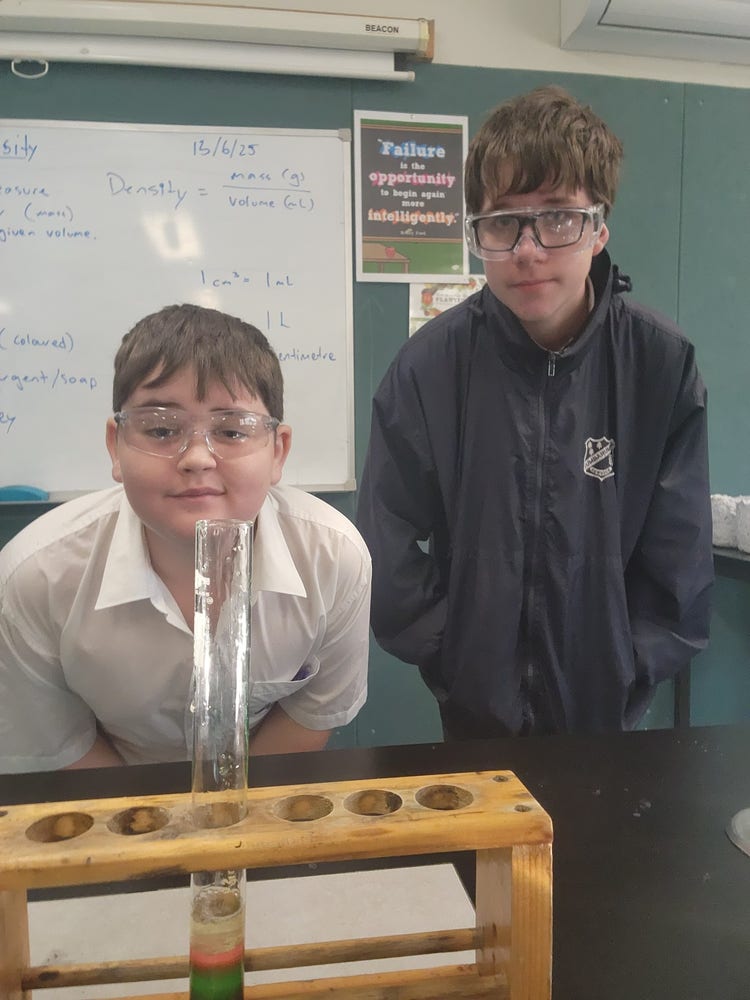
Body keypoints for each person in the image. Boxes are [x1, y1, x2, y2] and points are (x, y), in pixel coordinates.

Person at [356, 85, 713, 740]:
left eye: (557, 217)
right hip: (471, 721)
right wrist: (451, 648)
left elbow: (680, 558)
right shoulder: (428, 369)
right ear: (477, 234)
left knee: (598, 846)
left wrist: (628, 663)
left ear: (599, 227)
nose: (527, 249)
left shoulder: (660, 366)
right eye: (501, 222)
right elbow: (386, 538)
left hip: (608, 724)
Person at [0, 304, 371, 771]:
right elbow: (60, 743)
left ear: (278, 452)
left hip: (259, 790)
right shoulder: (37, 577)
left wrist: (222, 820)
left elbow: (309, 717)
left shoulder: (334, 559)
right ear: (116, 446)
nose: (197, 457)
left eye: (232, 430)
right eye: (160, 429)